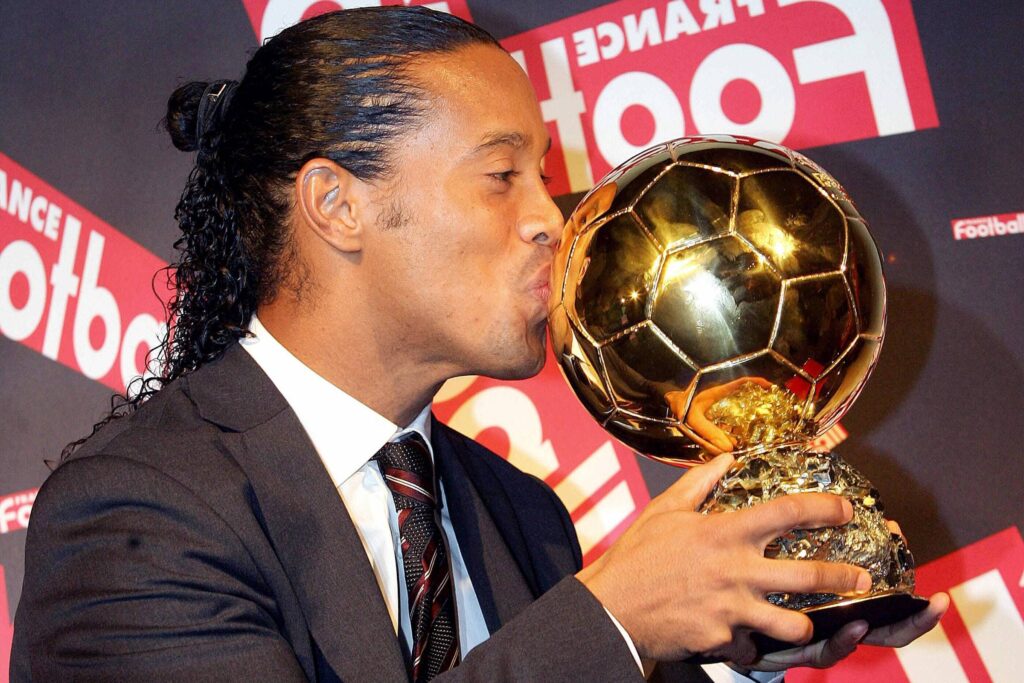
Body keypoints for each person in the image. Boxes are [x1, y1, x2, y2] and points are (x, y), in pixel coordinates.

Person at [11, 7, 947, 682]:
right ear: (338, 204)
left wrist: (733, 649)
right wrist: (615, 619)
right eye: (503, 175)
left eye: (543, 176)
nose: (553, 221)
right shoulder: (139, 510)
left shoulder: (519, 508)